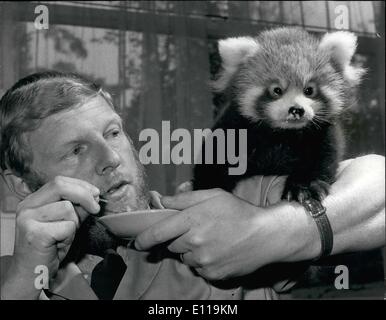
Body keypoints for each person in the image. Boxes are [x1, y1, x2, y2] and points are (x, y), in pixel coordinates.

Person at [0, 71, 384, 300]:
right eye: (76, 150)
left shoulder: (219, 210)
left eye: (113, 133)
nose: (111, 158)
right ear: (21, 185)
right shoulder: (10, 279)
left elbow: (377, 184)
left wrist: (270, 231)